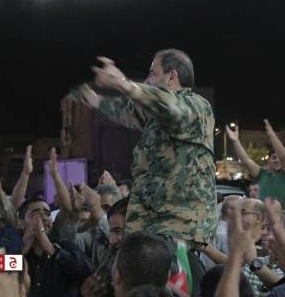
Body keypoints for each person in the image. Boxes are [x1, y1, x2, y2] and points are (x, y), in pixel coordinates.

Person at [70, 49, 216, 296]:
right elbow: (131, 110)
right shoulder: (155, 117)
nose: (148, 80)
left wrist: (123, 83)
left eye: (153, 73)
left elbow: (171, 108)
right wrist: (94, 100)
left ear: (172, 77)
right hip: (149, 225)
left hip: (175, 228)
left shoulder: (196, 106)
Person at [226, 120, 285, 210]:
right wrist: (235, 141)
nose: (277, 160)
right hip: (262, 218)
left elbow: (282, 156)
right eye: (274, 157)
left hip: (283, 218)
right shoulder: (262, 174)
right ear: (269, 161)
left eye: (278, 157)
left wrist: (271, 135)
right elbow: (246, 160)